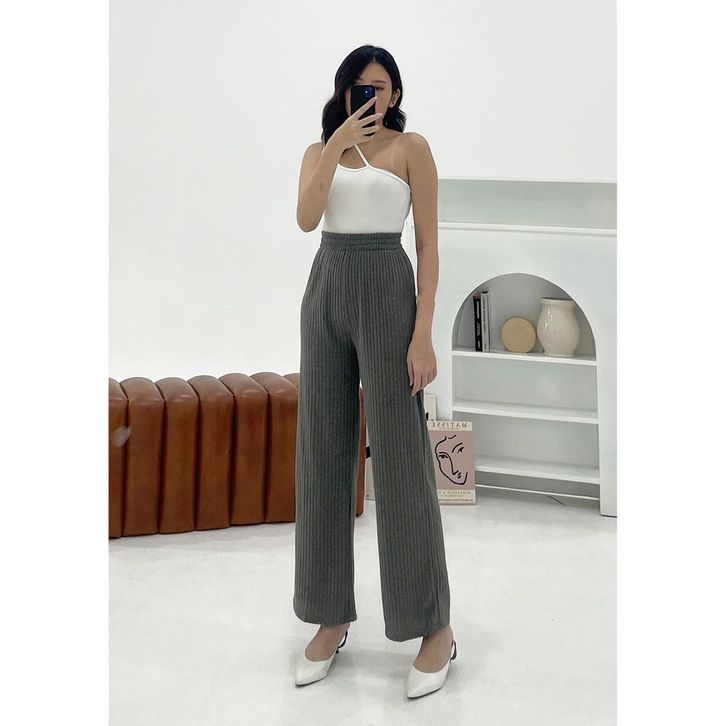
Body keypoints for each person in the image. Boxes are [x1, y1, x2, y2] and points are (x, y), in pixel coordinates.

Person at [292, 45, 456, 698]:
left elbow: (429, 244)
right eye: (359, 86)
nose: (371, 96)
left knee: (400, 459)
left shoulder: (412, 148)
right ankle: (330, 617)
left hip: (389, 288)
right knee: (323, 454)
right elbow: (307, 219)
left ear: (396, 94)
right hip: (327, 290)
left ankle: (434, 627)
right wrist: (336, 144)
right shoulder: (319, 151)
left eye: (381, 86)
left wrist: (423, 332)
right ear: (344, 92)